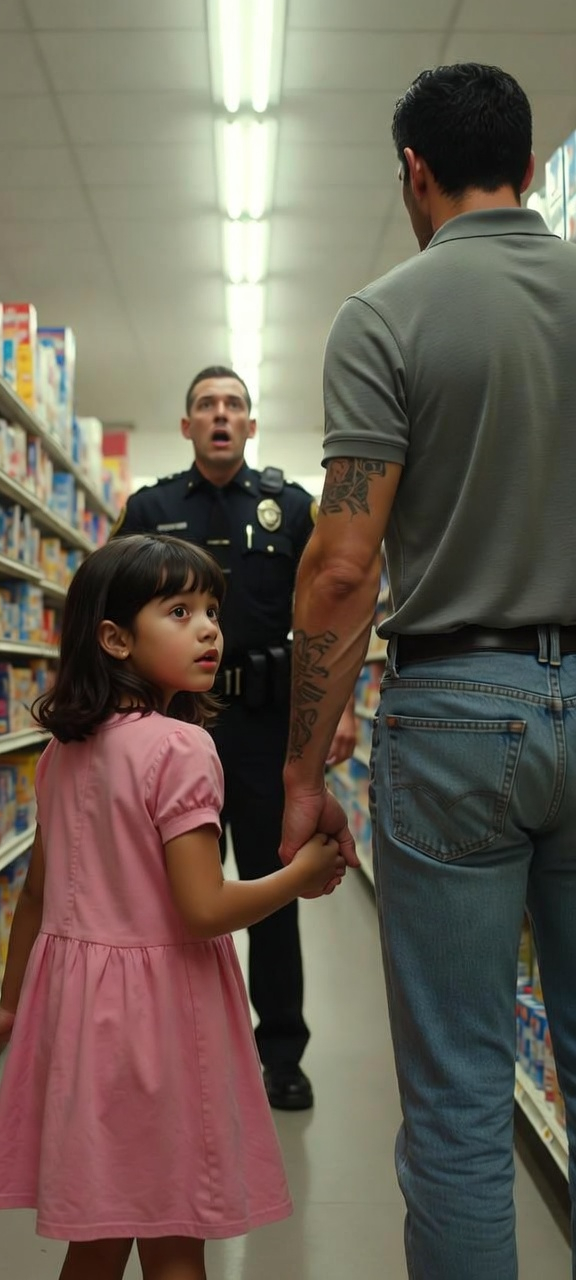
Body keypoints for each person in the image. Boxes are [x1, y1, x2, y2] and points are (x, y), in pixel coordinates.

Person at [281, 63, 576, 1280]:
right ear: (531, 162)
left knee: (460, 1103)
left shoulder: (388, 314)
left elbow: (344, 568)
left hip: (458, 709)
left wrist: (305, 770)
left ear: (414, 170)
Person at [0, 534, 345, 1280]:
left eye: (212, 609)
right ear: (114, 638)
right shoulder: (180, 748)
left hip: (78, 1012)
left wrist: (14, 1002)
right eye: (179, 610)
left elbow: (40, 895)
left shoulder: (62, 752)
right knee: (177, 1233)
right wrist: (299, 877)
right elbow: (202, 908)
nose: (209, 628)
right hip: (162, 1018)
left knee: (97, 1230)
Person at [112, 367, 357, 1112]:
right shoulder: (149, 507)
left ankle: (281, 1052)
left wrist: (339, 707)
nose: (221, 415)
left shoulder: (289, 506)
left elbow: (328, 613)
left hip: (261, 728)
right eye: (206, 406)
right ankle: (169, 1044)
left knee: (268, 884)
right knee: (168, 892)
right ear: (186, 426)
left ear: (251, 425)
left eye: (234, 406)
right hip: (168, 726)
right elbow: (113, 608)